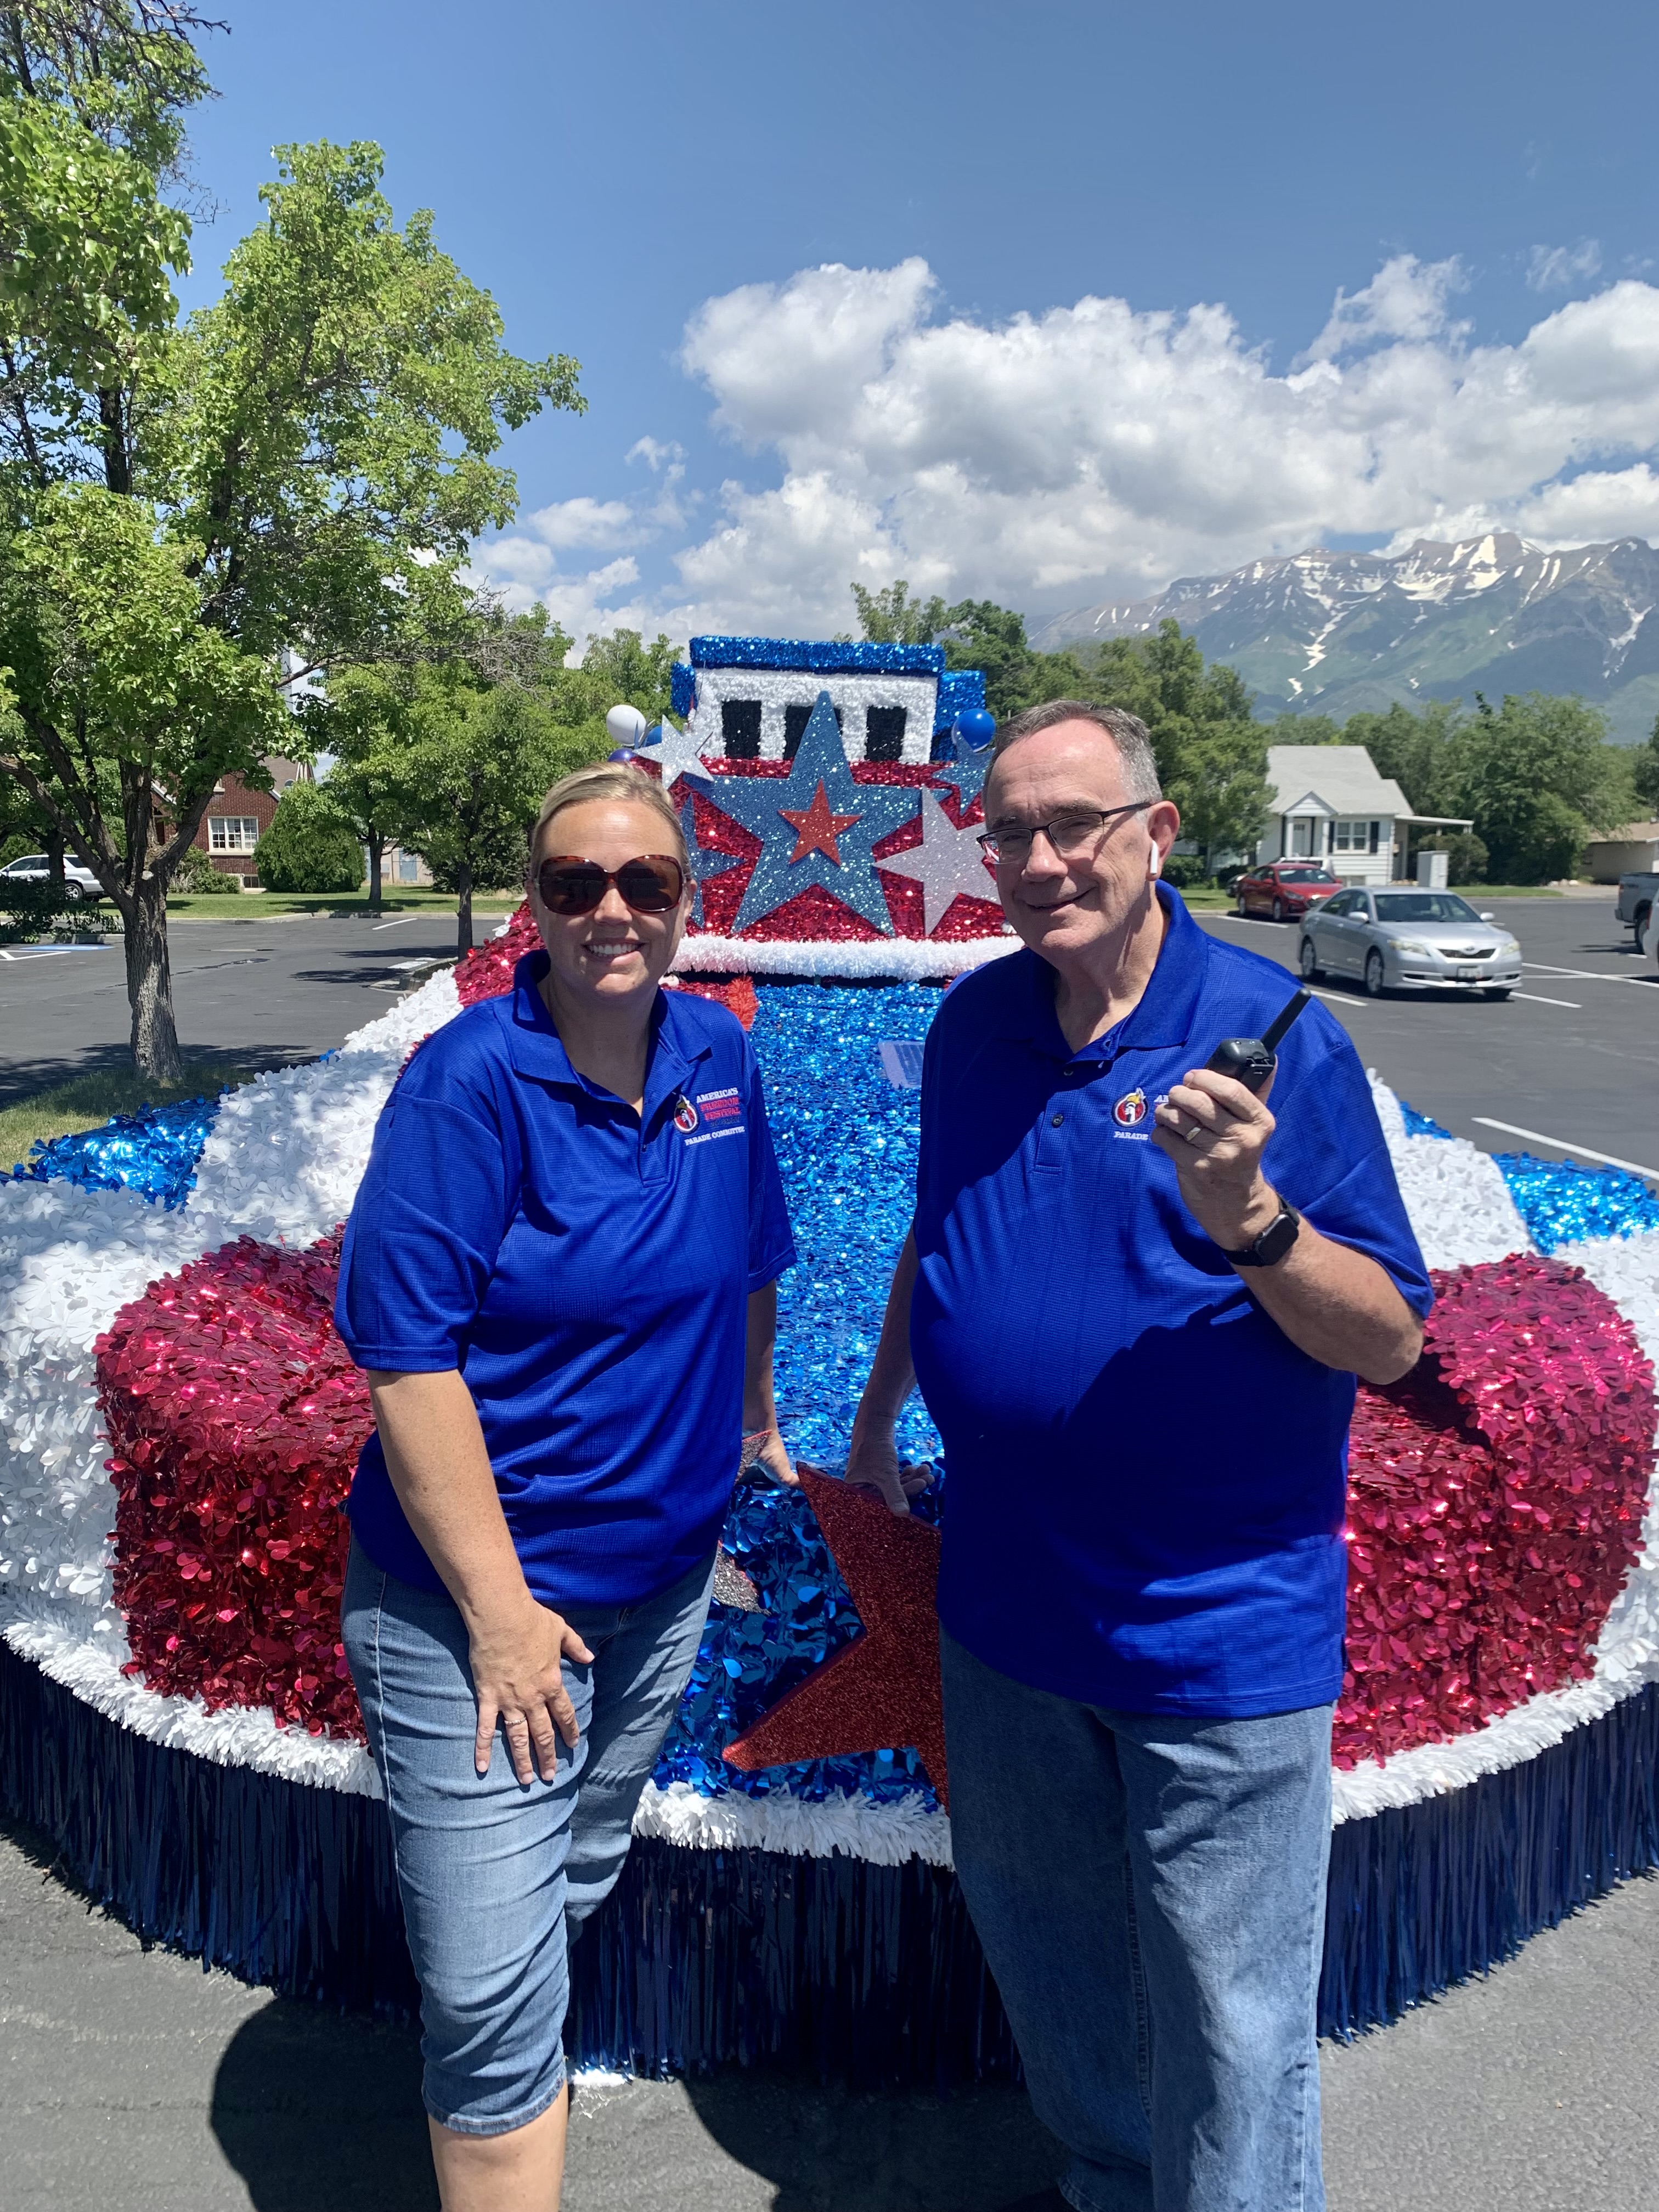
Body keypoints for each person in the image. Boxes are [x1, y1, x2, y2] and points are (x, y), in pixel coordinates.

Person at [846, 701, 1430, 2212]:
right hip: (1009, 1618)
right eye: (1013, 832)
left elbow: (1388, 1342)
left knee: (1233, 2029)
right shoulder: (977, 1021)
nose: (1042, 861)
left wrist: (1256, 1221)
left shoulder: (1278, 1038)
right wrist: (876, 1404)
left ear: (1155, 835)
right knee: (1062, 1986)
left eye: (1076, 826)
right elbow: (943, 1230)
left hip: (1212, 1637)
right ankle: (1114, 2188)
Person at [335, 761, 796, 2212]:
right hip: (475, 1610)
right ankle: (507, 2102)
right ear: (533, 906)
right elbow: (408, 1365)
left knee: (577, 1868)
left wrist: (755, 1424)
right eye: (574, 884)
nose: (610, 909)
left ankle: (527, 2069)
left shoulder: (721, 1060)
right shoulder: (466, 1085)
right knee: (481, 1983)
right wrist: (500, 1615)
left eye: (643, 883)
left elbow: (753, 1261)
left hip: (656, 1588)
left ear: (688, 902)